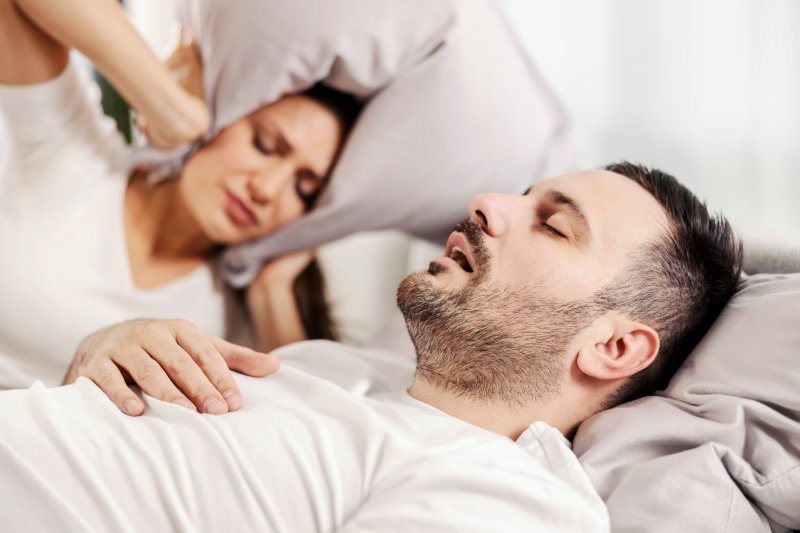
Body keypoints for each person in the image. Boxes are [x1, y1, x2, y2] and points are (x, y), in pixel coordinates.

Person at [0, 163, 742, 531]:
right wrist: (104, 356)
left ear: (613, 346)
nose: (489, 203)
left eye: (553, 225)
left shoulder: (513, 500)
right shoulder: (346, 368)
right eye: (523, 193)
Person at [0, 0, 358, 410]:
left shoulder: (238, 319)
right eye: (264, 144)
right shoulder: (74, 154)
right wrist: (173, 110)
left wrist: (272, 291)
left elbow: (318, 428)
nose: (268, 189)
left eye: (304, 189)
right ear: (219, 118)